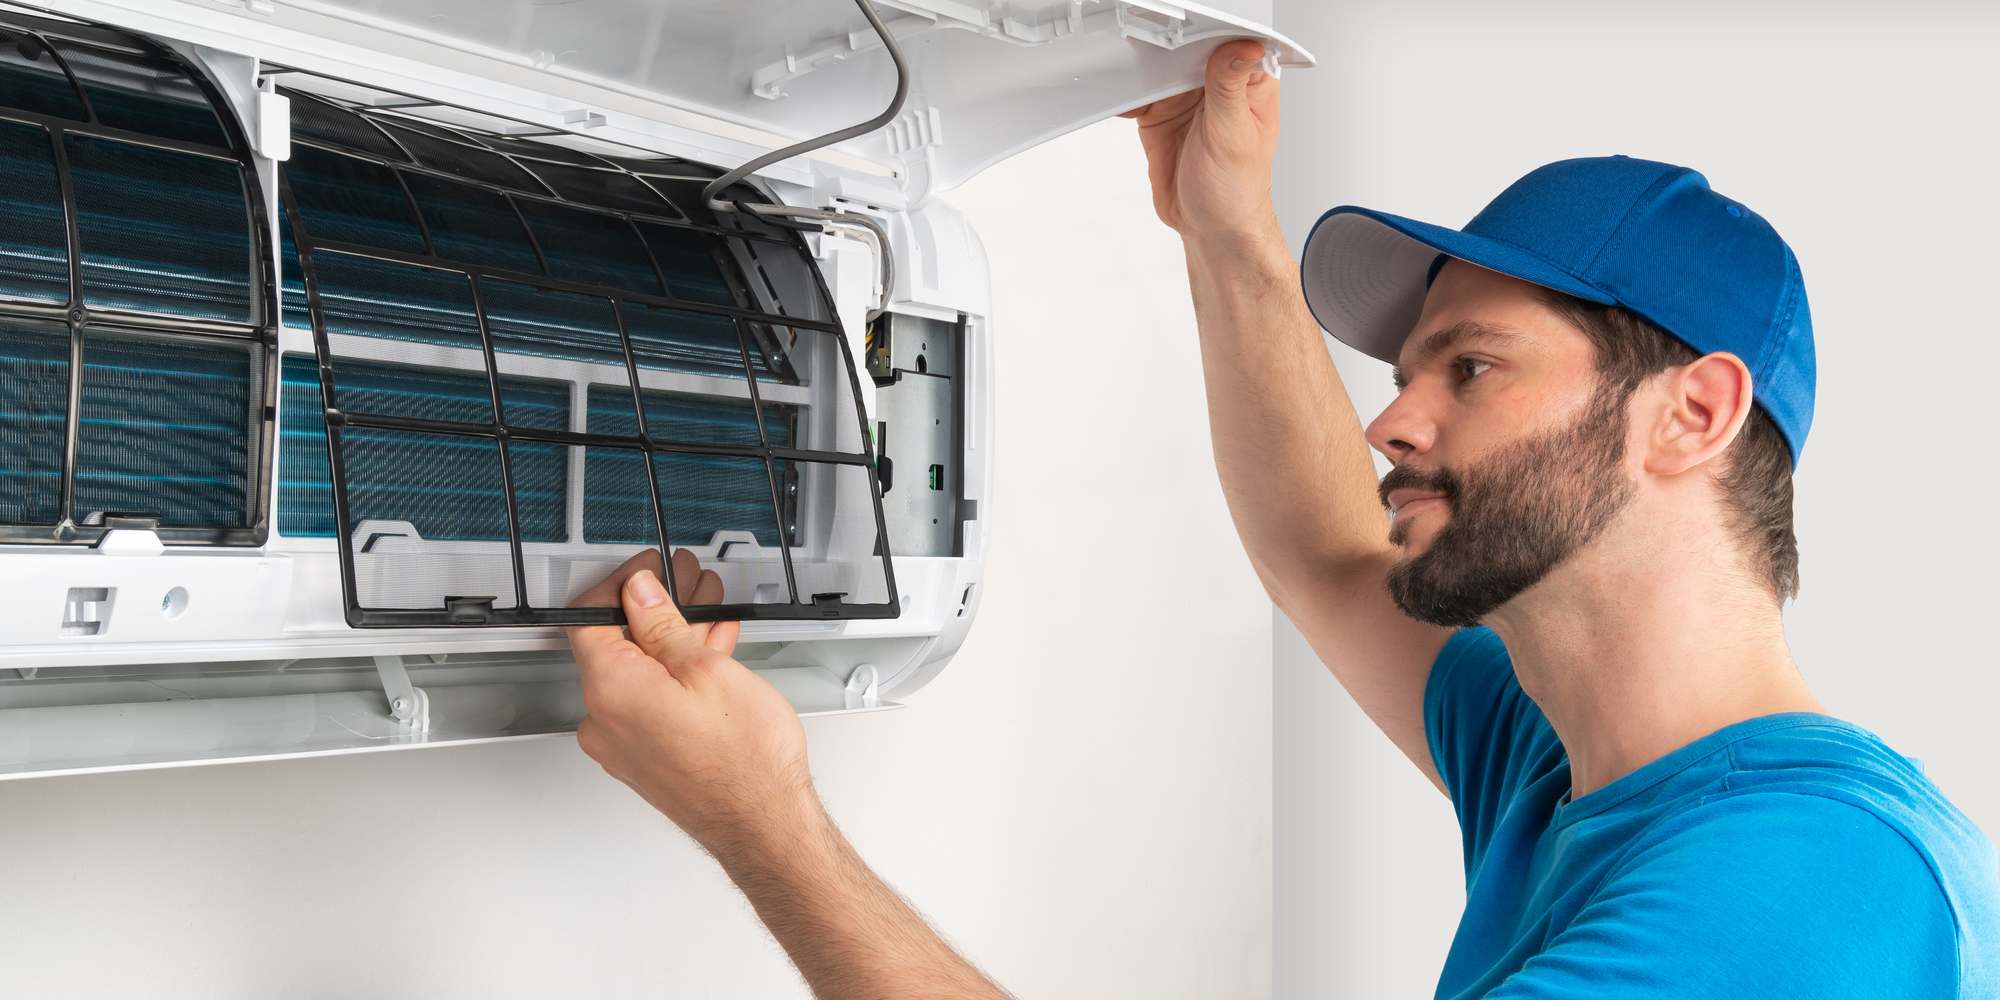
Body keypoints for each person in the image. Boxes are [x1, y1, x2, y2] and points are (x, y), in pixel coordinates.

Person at [566, 39, 2000, 999]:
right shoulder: (1562, 767)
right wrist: (1226, 225)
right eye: (1403, 372)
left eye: (1472, 368)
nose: (1394, 418)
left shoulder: (1804, 891)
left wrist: (765, 822)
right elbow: (1332, 549)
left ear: (1693, 414)